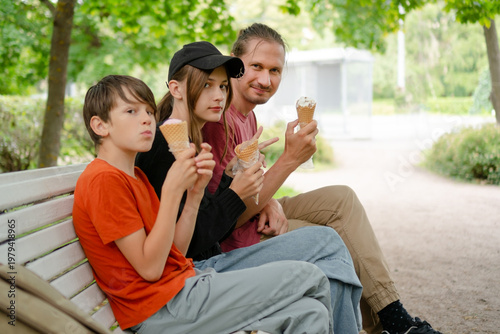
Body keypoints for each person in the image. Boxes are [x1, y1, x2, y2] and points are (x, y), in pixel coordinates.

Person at [201, 23, 443, 334]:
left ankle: (393, 318)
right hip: (232, 240)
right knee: (333, 237)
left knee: (342, 199)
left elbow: (245, 186)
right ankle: (395, 326)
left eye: (275, 70)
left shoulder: (247, 116)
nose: (265, 79)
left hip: (253, 211)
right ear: (235, 63)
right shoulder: (217, 118)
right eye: (256, 66)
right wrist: (289, 160)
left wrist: (270, 199)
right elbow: (221, 220)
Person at [73, 74, 337, 334]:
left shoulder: (134, 177)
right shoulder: (103, 180)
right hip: (161, 307)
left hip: (182, 288)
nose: (146, 119)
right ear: (100, 126)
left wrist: (195, 195)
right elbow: (151, 269)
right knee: (309, 276)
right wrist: (172, 191)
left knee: (311, 313)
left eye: (149, 111)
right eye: (131, 111)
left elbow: (176, 250)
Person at [135, 41, 363, 333]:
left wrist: (231, 179)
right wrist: (235, 194)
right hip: (197, 278)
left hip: (208, 266)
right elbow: (190, 244)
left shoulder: (189, 141)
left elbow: (202, 221)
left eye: (222, 86)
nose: (218, 96)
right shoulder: (166, 148)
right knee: (326, 248)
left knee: (328, 248)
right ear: (176, 89)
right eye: (207, 85)